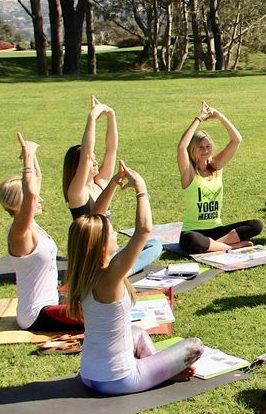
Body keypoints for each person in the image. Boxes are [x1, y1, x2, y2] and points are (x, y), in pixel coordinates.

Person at [67, 161, 203, 395]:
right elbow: (143, 231)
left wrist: (112, 184)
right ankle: (162, 373)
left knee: (138, 332)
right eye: (110, 233)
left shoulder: (84, 269)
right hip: (119, 379)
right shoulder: (111, 276)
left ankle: (161, 369)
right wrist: (141, 188)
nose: (114, 233)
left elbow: (95, 220)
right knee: (195, 346)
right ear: (100, 245)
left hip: (89, 375)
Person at [63, 96, 160, 274]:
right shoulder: (77, 194)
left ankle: (121, 268)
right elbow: (85, 155)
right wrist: (92, 117)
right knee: (146, 248)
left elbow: (111, 149)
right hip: (93, 257)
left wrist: (111, 116)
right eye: (91, 158)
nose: (94, 160)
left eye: (94, 157)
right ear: (78, 168)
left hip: (109, 248)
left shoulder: (100, 183)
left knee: (154, 244)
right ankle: (123, 271)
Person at [0, 133, 80, 332]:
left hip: (51, 302)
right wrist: (27, 158)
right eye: (34, 198)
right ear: (21, 204)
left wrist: (32, 158)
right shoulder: (19, 233)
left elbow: (35, 184)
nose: (40, 199)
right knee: (100, 314)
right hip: (36, 314)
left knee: (100, 299)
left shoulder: (30, 224)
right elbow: (31, 193)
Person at [176, 101, 263, 254]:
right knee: (190, 240)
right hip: (194, 231)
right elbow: (182, 146)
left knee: (256, 225)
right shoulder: (189, 172)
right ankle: (230, 247)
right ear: (193, 149)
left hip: (218, 230)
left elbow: (237, 139)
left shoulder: (216, 166)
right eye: (200, 147)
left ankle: (216, 245)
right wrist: (199, 118)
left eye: (208, 146)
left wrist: (219, 116)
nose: (205, 150)